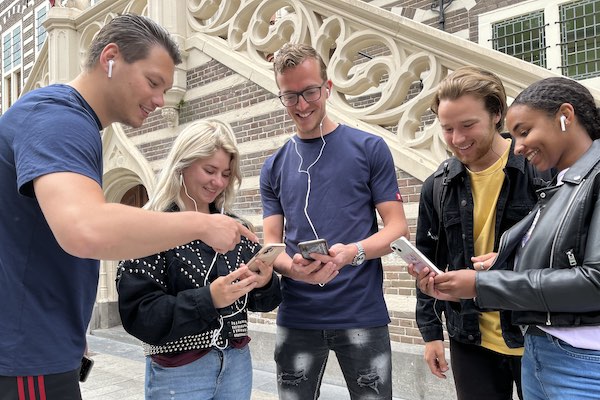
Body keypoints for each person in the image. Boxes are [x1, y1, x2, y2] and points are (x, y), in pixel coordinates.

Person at [0, 14, 256, 399]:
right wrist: (201, 226)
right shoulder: (59, 118)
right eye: (153, 82)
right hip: (27, 353)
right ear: (111, 58)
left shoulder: (68, 121)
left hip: (44, 344)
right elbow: (86, 229)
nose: (159, 100)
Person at [415, 76, 600, 399]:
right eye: (447, 128)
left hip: (541, 338)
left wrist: (481, 283)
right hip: (476, 338)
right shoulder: (439, 184)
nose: (457, 138)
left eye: (468, 125)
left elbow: (586, 273)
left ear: (496, 114)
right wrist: (431, 328)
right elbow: (429, 252)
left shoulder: (548, 168)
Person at [260, 43, 409, 400]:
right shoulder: (273, 165)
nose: (301, 105)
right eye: (290, 96)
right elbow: (271, 245)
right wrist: (292, 270)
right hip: (297, 315)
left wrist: (353, 252)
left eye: (310, 91)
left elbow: (397, 230)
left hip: (361, 312)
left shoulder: (369, 148)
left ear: (327, 87)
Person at [116, 119, 281, 399]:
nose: (218, 182)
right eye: (209, 170)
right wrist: (210, 299)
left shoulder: (235, 226)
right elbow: (139, 315)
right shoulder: (150, 226)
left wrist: (264, 282)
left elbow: (261, 302)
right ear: (182, 164)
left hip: (237, 362)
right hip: (179, 370)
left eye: (226, 173)